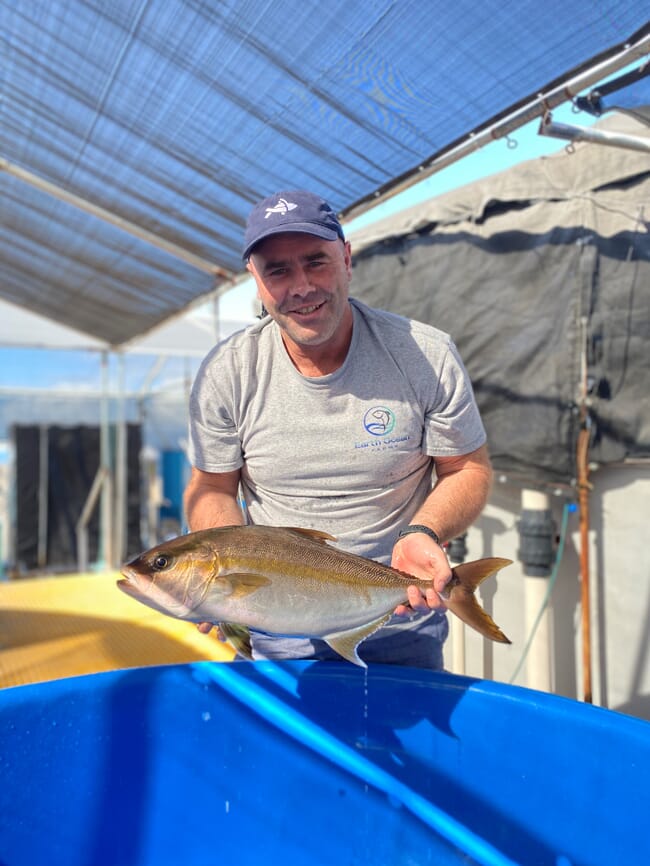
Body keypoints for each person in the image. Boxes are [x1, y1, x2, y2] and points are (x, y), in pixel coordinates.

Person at [183, 189, 492, 667]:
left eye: (316, 261)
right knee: (287, 745)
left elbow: (467, 468)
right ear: (256, 280)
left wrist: (423, 531)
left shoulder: (425, 356)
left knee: (406, 745)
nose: (302, 286)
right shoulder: (227, 372)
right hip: (278, 636)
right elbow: (211, 487)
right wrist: (223, 571)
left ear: (347, 259)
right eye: (278, 270)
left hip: (404, 623)